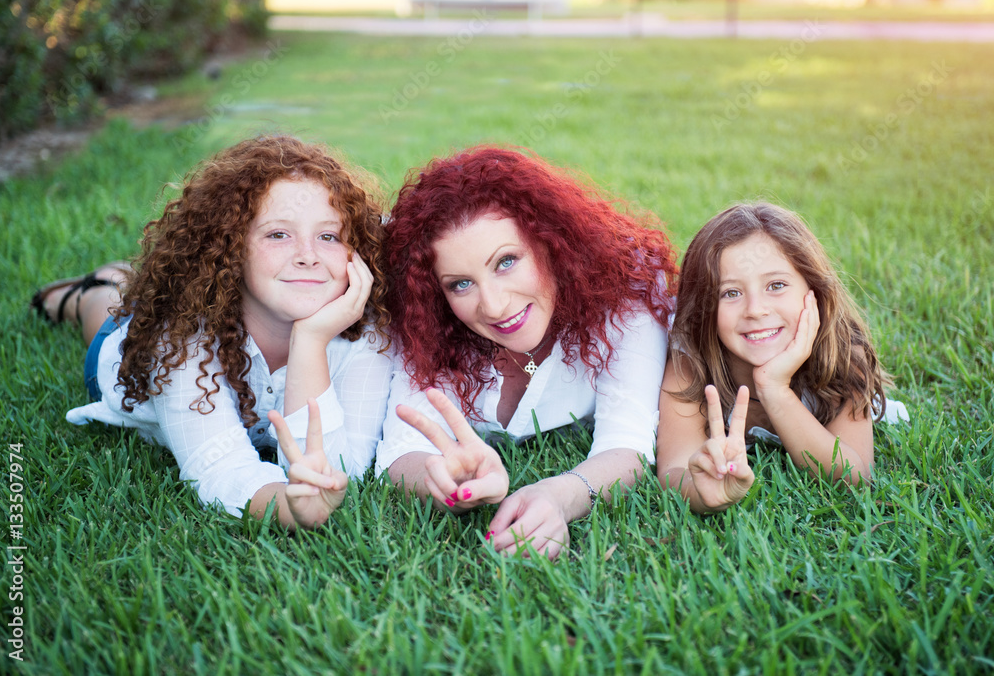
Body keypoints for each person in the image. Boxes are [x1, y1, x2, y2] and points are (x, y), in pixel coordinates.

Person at [31, 135, 393, 529]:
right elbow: (220, 469)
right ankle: (86, 292)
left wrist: (310, 341)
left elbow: (340, 467)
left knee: (125, 291)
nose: (308, 255)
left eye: (329, 236)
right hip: (125, 355)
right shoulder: (180, 341)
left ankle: (116, 277)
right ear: (232, 248)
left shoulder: (371, 334)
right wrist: (290, 510)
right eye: (278, 234)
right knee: (109, 309)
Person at [377, 146, 678, 558]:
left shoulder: (625, 297)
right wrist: (448, 484)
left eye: (506, 262)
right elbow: (402, 450)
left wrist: (559, 496)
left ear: (552, 242)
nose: (494, 306)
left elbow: (627, 445)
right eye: (461, 284)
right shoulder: (428, 323)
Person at [656, 202, 907, 514]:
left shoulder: (842, 353)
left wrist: (774, 388)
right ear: (705, 306)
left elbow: (855, 477)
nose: (756, 309)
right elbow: (674, 468)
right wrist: (700, 492)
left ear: (813, 289)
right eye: (731, 292)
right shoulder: (690, 363)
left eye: (776, 285)